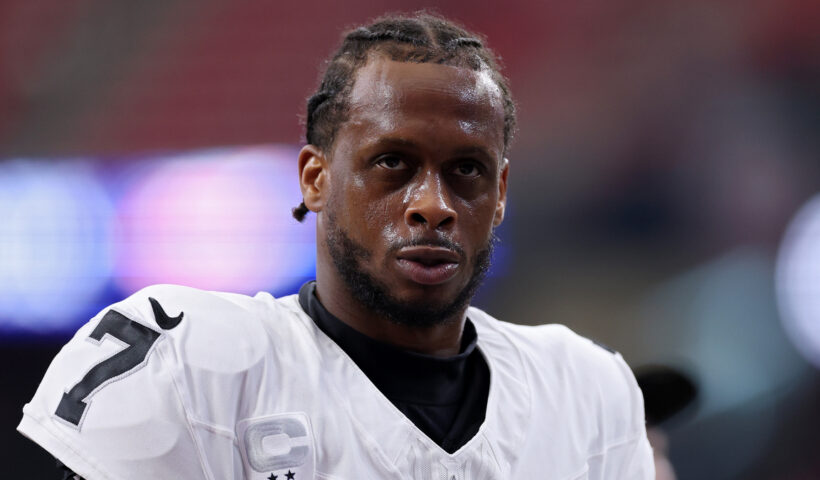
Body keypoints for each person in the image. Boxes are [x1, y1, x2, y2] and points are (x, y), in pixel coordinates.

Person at [18, 12, 654, 479]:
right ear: (315, 179)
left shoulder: (585, 391)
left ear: (502, 191)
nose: (433, 203)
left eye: (466, 170)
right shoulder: (190, 364)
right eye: (393, 163)